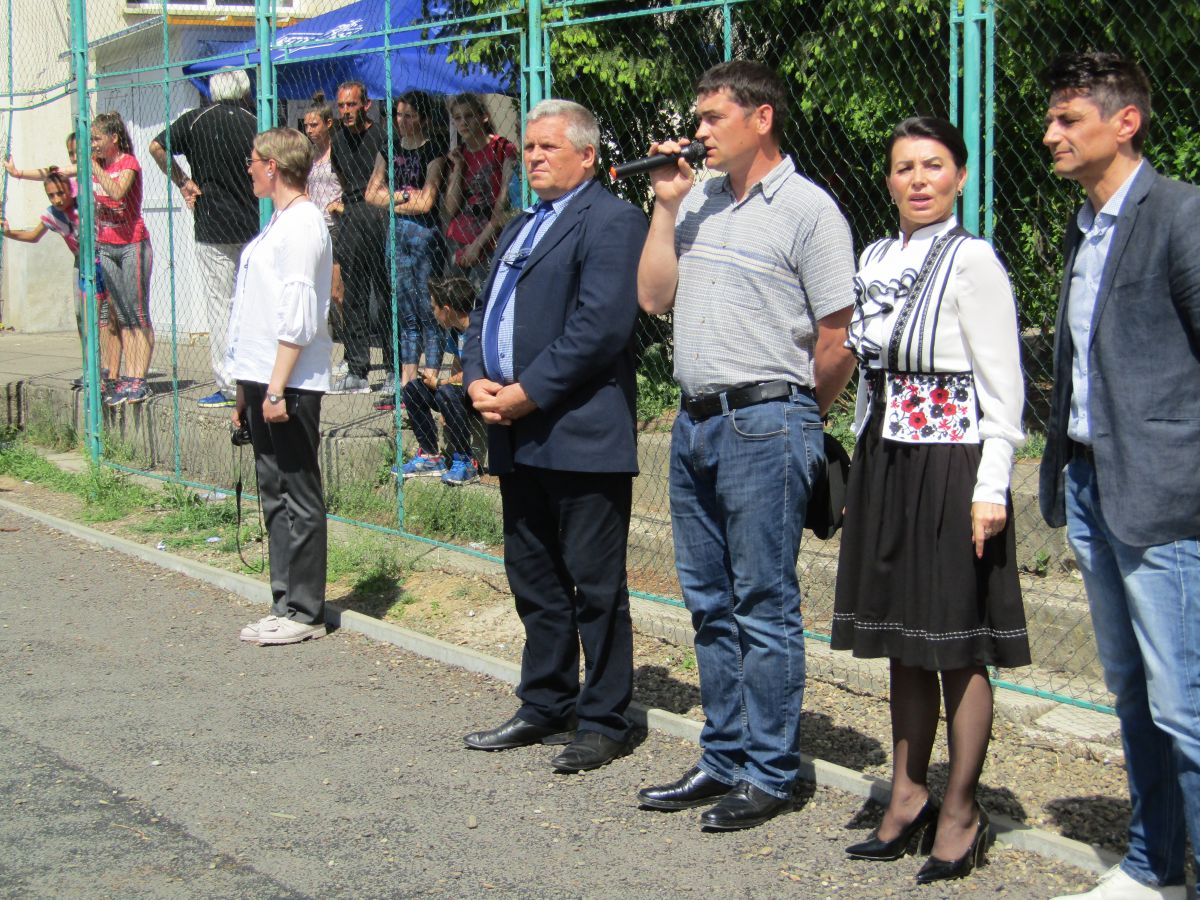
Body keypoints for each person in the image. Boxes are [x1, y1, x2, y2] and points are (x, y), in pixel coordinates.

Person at [635, 60, 856, 830]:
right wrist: (666, 206)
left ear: (761, 119)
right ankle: (723, 756)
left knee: (763, 602)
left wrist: (796, 415)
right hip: (693, 422)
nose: (698, 131)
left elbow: (838, 337)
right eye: (697, 118)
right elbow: (653, 297)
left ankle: (770, 770)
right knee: (708, 601)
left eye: (712, 117)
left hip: (766, 420)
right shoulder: (695, 201)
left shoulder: (808, 209)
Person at [829, 116, 1029, 885]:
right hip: (887, 459)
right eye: (905, 167)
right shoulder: (877, 257)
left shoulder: (973, 260)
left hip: (951, 461)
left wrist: (991, 485)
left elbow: (1003, 383)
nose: (918, 180)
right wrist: (859, 469)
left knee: (954, 638)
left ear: (961, 176)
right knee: (902, 636)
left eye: (934, 165)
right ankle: (908, 793)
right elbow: (870, 374)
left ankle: (961, 810)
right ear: (888, 180)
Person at [1039, 53, 1200, 900]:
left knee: (1187, 705)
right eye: (1052, 118)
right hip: (1091, 484)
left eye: (1068, 119)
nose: (1050, 134)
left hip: (1166, 496)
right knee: (1132, 693)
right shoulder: (1085, 226)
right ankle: (1153, 864)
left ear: (1125, 121)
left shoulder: (1180, 214)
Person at [460, 99, 648, 773]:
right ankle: (545, 701)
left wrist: (526, 393)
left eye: (548, 147)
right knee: (533, 576)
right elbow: (483, 313)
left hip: (578, 432)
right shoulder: (521, 225)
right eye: (530, 147)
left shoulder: (614, 221)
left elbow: (600, 328)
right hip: (515, 432)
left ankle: (604, 719)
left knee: (595, 586)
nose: (533, 157)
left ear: (587, 156)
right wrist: (476, 378)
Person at [228, 127, 333, 647]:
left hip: (289, 382)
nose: (248, 168)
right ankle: (283, 601)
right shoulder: (278, 220)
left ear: (272, 165)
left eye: (253, 160)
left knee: (299, 492)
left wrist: (275, 389)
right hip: (262, 378)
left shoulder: (304, 223)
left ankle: (306, 610)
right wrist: (245, 388)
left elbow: (298, 314)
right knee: (274, 492)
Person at [149, 69, 259, 409]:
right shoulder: (255, 122)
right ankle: (256, 377)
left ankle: (229, 384)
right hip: (252, 223)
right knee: (251, 302)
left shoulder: (196, 120)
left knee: (220, 303)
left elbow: (156, 147)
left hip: (212, 223)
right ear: (244, 91)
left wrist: (183, 181)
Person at [365, 91, 447, 412]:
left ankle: (430, 379)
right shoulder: (389, 148)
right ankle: (407, 386)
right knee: (405, 314)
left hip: (425, 238)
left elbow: (427, 201)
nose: (402, 121)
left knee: (428, 311)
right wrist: (404, 197)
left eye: (409, 116)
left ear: (423, 118)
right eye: (398, 115)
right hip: (396, 237)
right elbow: (371, 193)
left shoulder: (433, 150)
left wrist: (392, 199)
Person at [0, 168, 115, 390]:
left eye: (60, 193)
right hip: (81, 263)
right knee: (82, 317)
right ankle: (91, 368)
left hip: (101, 259)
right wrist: (8, 233)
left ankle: (109, 370)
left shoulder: (85, 205)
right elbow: (34, 236)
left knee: (103, 317)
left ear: (70, 190)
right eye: (51, 195)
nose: (57, 199)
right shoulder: (52, 214)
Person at [327, 80, 389, 397]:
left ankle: (393, 368)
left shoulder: (381, 137)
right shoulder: (337, 141)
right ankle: (357, 369)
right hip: (351, 217)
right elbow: (342, 177)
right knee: (353, 296)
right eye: (341, 106)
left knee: (385, 291)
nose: (346, 111)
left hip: (379, 217)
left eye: (351, 104)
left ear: (366, 105)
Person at [91, 111, 154, 407]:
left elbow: (117, 193)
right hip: (107, 246)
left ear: (113, 138)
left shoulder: (128, 163)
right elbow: (63, 172)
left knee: (137, 312)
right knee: (122, 314)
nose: (93, 145)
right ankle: (128, 377)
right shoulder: (98, 165)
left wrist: (94, 167)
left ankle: (140, 379)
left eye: (97, 139)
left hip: (132, 244)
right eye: (91, 140)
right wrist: (19, 173)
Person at [394, 277, 480, 485]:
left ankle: (466, 461)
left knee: (446, 392)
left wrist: (442, 383)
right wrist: (444, 398)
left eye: (434, 308)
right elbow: (459, 363)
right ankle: (430, 456)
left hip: (480, 393)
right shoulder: (457, 330)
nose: (433, 313)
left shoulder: (479, 329)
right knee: (414, 389)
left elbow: (475, 371)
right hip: (460, 391)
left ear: (447, 310)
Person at [443, 93, 517, 290]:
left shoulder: (502, 148)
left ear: (483, 117)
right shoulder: (459, 154)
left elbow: (503, 202)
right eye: (457, 118)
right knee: (455, 302)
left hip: (490, 240)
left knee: (484, 300)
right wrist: (458, 168)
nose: (463, 122)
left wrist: (478, 244)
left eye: (469, 116)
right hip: (458, 239)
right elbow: (450, 208)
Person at [302, 93, 344, 313]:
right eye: (306, 126)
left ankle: (346, 329)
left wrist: (341, 204)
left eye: (314, 125)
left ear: (328, 124)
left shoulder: (338, 152)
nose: (309, 130)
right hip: (315, 225)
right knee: (316, 285)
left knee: (337, 291)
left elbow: (349, 184)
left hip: (335, 224)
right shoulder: (310, 155)